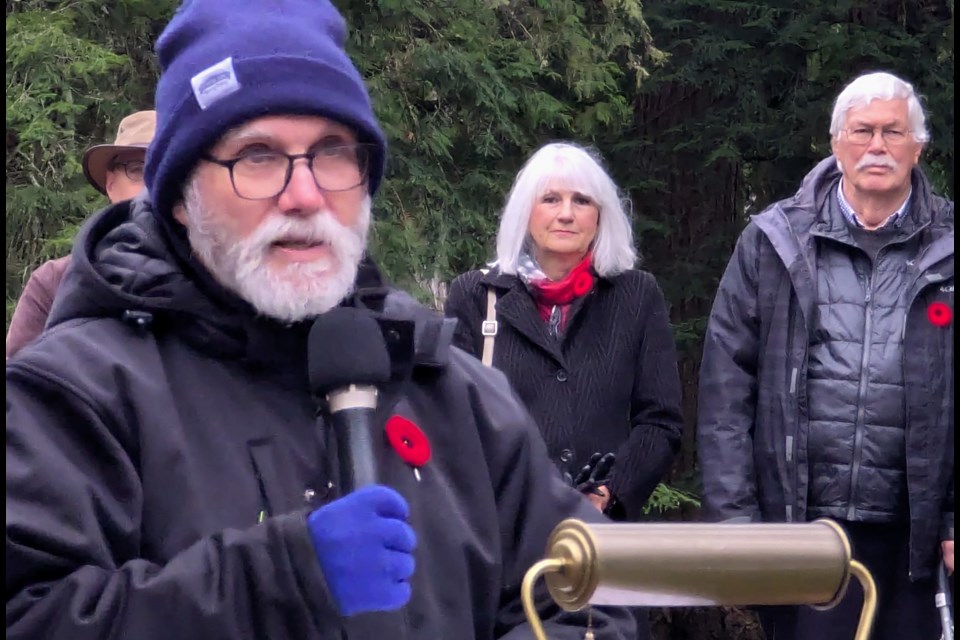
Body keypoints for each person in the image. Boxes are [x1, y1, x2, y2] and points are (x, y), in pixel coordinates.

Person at [4, 2, 637, 639]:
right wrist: (279, 582)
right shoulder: (73, 397)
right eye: (256, 155)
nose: (304, 195)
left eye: (332, 152)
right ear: (178, 199)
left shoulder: (451, 390)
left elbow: (589, 599)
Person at [697, 71, 953, 640]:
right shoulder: (773, 241)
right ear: (836, 143)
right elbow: (725, 391)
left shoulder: (949, 247)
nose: (878, 146)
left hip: (919, 535)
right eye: (862, 131)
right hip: (802, 526)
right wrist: (736, 523)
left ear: (918, 145)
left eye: (893, 131)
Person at [444, 142, 684, 639]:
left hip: (606, 543)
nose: (567, 214)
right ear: (525, 211)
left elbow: (660, 420)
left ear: (602, 215)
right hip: (508, 542)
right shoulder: (476, 296)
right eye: (550, 199)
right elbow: (453, 420)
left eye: (582, 201)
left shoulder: (636, 295)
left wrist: (610, 493)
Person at [5, 109, 156, 358]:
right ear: (111, 184)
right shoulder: (53, 282)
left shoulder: (219, 281)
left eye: (165, 169)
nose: (152, 187)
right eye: (138, 170)